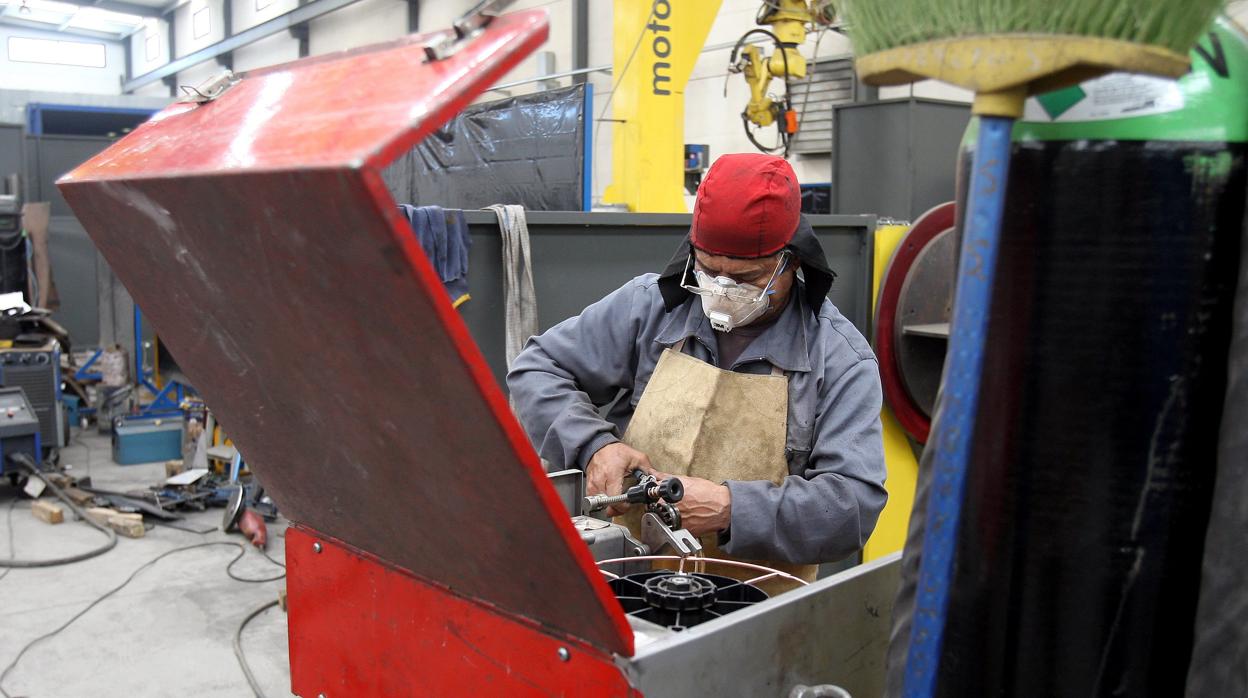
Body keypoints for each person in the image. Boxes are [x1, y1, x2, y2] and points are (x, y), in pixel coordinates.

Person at [507, 153, 886, 592]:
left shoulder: (839, 359)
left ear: (792, 262)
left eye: (745, 278)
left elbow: (853, 505)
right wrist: (594, 445)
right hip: (633, 587)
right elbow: (538, 368)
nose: (722, 290)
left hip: (755, 609)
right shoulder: (648, 309)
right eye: (708, 270)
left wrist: (731, 507)